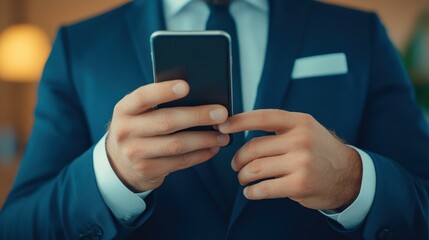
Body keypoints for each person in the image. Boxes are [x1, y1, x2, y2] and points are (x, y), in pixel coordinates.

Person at [1, 0, 429, 239]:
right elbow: (17, 227)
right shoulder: (81, 47)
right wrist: (110, 175)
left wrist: (352, 180)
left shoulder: (359, 34)